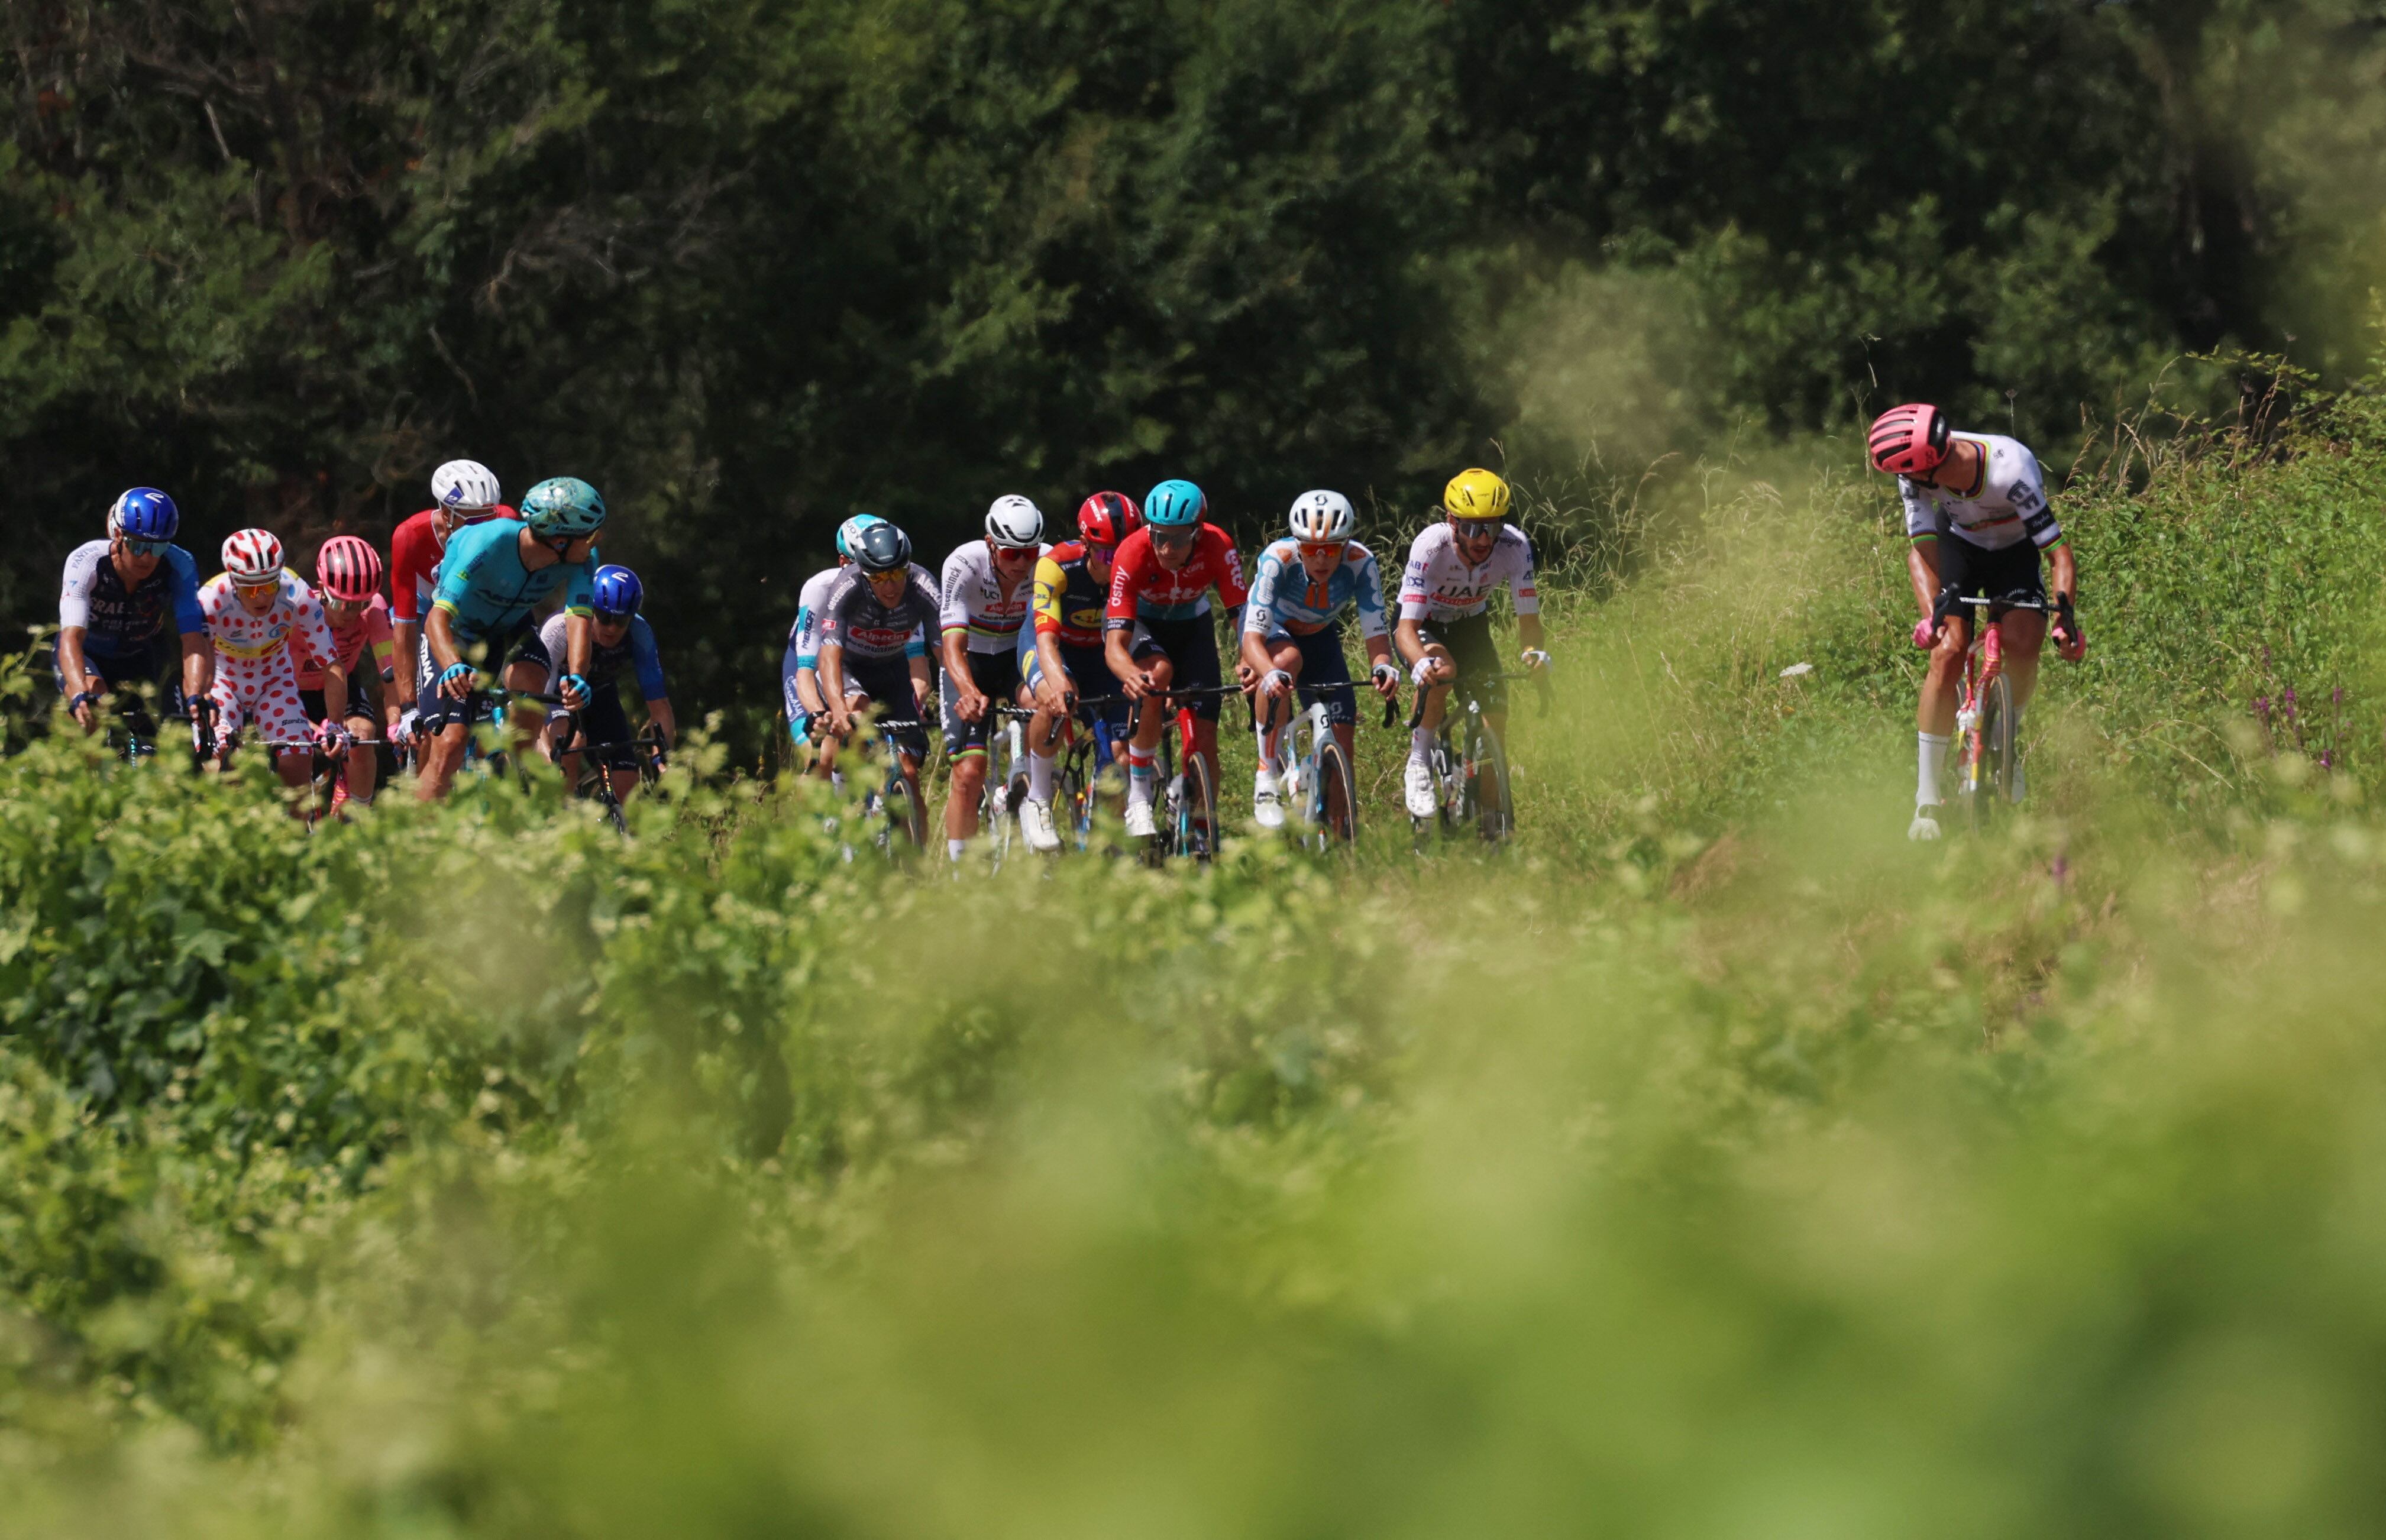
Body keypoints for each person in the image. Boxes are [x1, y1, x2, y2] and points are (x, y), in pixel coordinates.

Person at [1870, 404, 2086, 840]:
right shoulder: (1913, 469)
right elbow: (1923, 545)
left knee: (2025, 643)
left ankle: (2006, 742)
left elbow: (2058, 554)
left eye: (1912, 478)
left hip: (2015, 553)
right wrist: (1936, 614)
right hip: (1956, 550)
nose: (1907, 484)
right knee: (1947, 652)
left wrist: (2066, 618)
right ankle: (1926, 799)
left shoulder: (2012, 468)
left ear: (1929, 468)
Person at [416, 475, 606, 802]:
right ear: (560, 541)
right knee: (450, 744)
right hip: (455, 635)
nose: (593, 542)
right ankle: (413, 841)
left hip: (508, 631)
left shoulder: (583, 560)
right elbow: (438, 618)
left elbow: (578, 620)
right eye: (590, 535)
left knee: (533, 684)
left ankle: (509, 783)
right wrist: (451, 665)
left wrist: (577, 677)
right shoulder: (489, 543)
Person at [1392, 468, 1549, 820]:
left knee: (1497, 723)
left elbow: (1529, 623)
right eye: (1472, 528)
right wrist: (1421, 664)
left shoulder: (1515, 547)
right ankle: (1418, 762)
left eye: (1492, 527)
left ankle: (1490, 828)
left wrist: (1534, 654)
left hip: (1471, 626)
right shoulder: (1430, 545)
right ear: (1452, 521)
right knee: (1443, 671)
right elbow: (1405, 630)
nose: (1483, 540)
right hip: (1423, 623)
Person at [1240, 491, 1401, 829]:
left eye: (1333, 548)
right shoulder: (1278, 559)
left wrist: (1382, 666)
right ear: (1299, 545)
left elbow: (1375, 632)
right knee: (1287, 660)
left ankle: (1341, 836)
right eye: (1312, 549)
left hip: (1320, 636)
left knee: (1344, 740)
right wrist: (1267, 672)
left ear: (1346, 545)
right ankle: (1267, 777)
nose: (1323, 558)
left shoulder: (1361, 562)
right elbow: (1252, 638)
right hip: (1274, 630)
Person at [1104, 478, 1253, 839]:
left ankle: (1203, 826)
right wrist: (1130, 675)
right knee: (1155, 676)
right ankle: (1139, 797)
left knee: (1206, 737)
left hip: (1192, 623)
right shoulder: (1131, 552)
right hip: (1144, 623)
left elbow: (1244, 617)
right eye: (1159, 536)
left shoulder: (1219, 546)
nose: (1167, 548)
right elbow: (1114, 645)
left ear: (1199, 533)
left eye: (1179, 538)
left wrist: (1249, 659)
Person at [1018, 491, 1146, 852]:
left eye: (1122, 554)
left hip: (1101, 654)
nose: (1116, 564)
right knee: (1055, 698)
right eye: (1107, 554)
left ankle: (1103, 845)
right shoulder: (1057, 565)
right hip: (1051, 646)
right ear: (1087, 545)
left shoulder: (1137, 566)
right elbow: (1046, 642)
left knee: (1120, 755)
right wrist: (1058, 685)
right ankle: (1039, 800)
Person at [198, 529, 348, 812]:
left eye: (269, 585)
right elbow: (196, 659)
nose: (261, 596)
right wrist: (207, 709)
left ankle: (297, 845)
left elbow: (331, 663)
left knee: (297, 761)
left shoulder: (297, 594)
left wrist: (336, 725)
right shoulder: (210, 600)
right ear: (233, 581)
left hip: (274, 680)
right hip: (222, 679)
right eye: (251, 588)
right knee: (218, 761)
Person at [54, 488, 215, 742]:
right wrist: (78, 694)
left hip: (141, 653)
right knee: (94, 710)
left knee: (162, 738)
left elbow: (194, 639)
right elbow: (72, 638)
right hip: (88, 653)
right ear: (119, 535)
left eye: (159, 547)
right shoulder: (86, 562)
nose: (148, 557)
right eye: (139, 545)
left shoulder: (180, 564)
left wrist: (196, 695)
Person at [937, 496, 1047, 860]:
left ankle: (1030, 790)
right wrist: (968, 691)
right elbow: (953, 646)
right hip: (974, 663)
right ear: (990, 544)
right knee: (969, 774)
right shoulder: (963, 564)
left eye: (1029, 553)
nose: (1022, 563)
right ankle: (960, 873)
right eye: (1011, 553)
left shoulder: (1049, 562)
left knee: (1043, 703)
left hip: (1018, 656)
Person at [389, 459, 515, 749]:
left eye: (489, 518)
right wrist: (408, 706)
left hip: (475, 620)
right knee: (441, 734)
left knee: (487, 735)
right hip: (429, 620)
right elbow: (405, 627)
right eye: (473, 519)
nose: (485, 527)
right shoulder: (411, 536)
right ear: (446, 513)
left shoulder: (507, 521)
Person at [816, 522, 940, 789]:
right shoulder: (847, 586)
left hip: (891, 669)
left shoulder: (922, 586)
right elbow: (828, 658)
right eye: (878, 578)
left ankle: (903, 822)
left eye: (897, 573)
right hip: (849, 667)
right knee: (860, 712)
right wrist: (838, 709)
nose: (890, 586)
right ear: (863, 574)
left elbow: (945, 651)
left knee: (909, 771)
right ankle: (847, 795)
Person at [541, 564, 675, 803]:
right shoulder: (559, 630)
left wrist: (661, 755)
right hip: (556, 697)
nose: (612, 627)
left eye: (621, 621)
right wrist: (546, 753)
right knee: (570, 747)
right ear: (590, 609)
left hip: (601, 697)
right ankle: (558, 818)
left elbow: (659, 705)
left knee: (627, 782)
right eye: (604, 617)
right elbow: (536, 698)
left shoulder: (640, 634)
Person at [781, 513, 888, 785]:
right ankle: (812, 825)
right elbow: (806, 670)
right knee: (820, 759)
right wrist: (818, 713)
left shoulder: (895, 585)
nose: (877, 579)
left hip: (850, 662)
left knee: (863, 721)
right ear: (844, 562)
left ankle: (864, 809)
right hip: (810, 662)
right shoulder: (819, 590)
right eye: (866, 568)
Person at [295, 535, 401, 808]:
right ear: (321, 590)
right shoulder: (297, 610)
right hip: (291, 691)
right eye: (344, 604)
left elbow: (390, 671)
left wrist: (396, 722)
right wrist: (314, 728)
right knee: (295, 751)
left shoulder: (374, 609)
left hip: (342, 687)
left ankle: (358, 821)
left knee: (363, 738)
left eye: (362, 604)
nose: (353, 613)